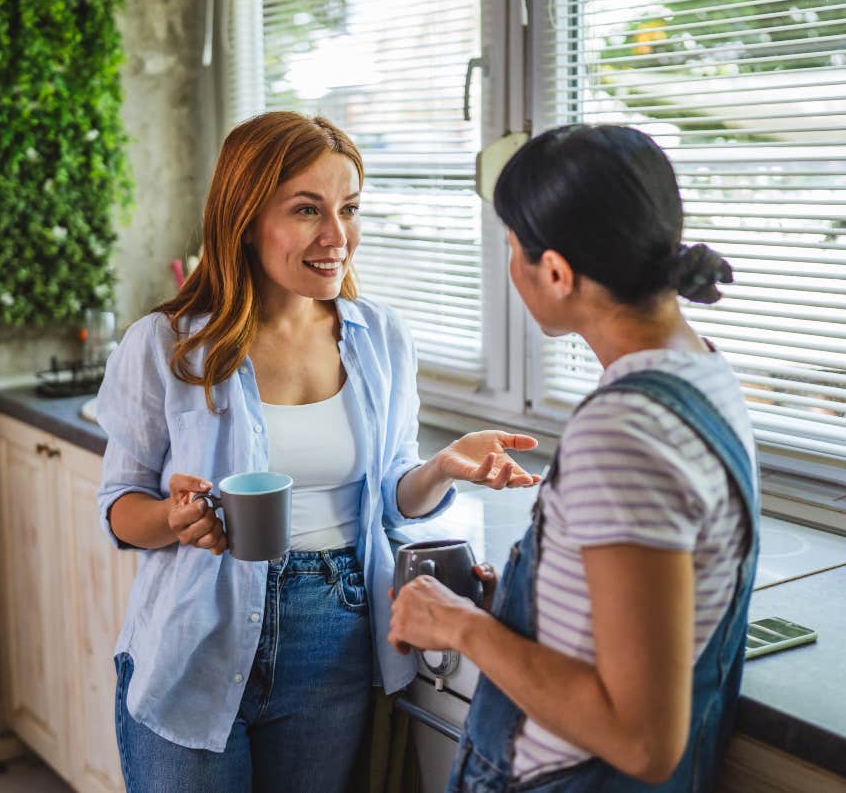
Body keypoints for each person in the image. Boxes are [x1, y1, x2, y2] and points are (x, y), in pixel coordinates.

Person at [96, 111, 541, 793]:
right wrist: (172, 518)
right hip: (194, 640)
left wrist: (443, 466)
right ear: (245, 219)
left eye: (349, 209)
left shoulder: (380, 337)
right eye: (308, 210)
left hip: (334, 635)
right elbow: (120, 506)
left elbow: (392, 493)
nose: (337, 237)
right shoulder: (166, 345)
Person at [388, 124, 759, 792]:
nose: (510, 267)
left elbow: (640, 740)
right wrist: (532, 607)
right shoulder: (702, 372)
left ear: (556, 272)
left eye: (512, 249)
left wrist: (463, 626)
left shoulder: (622, 433)